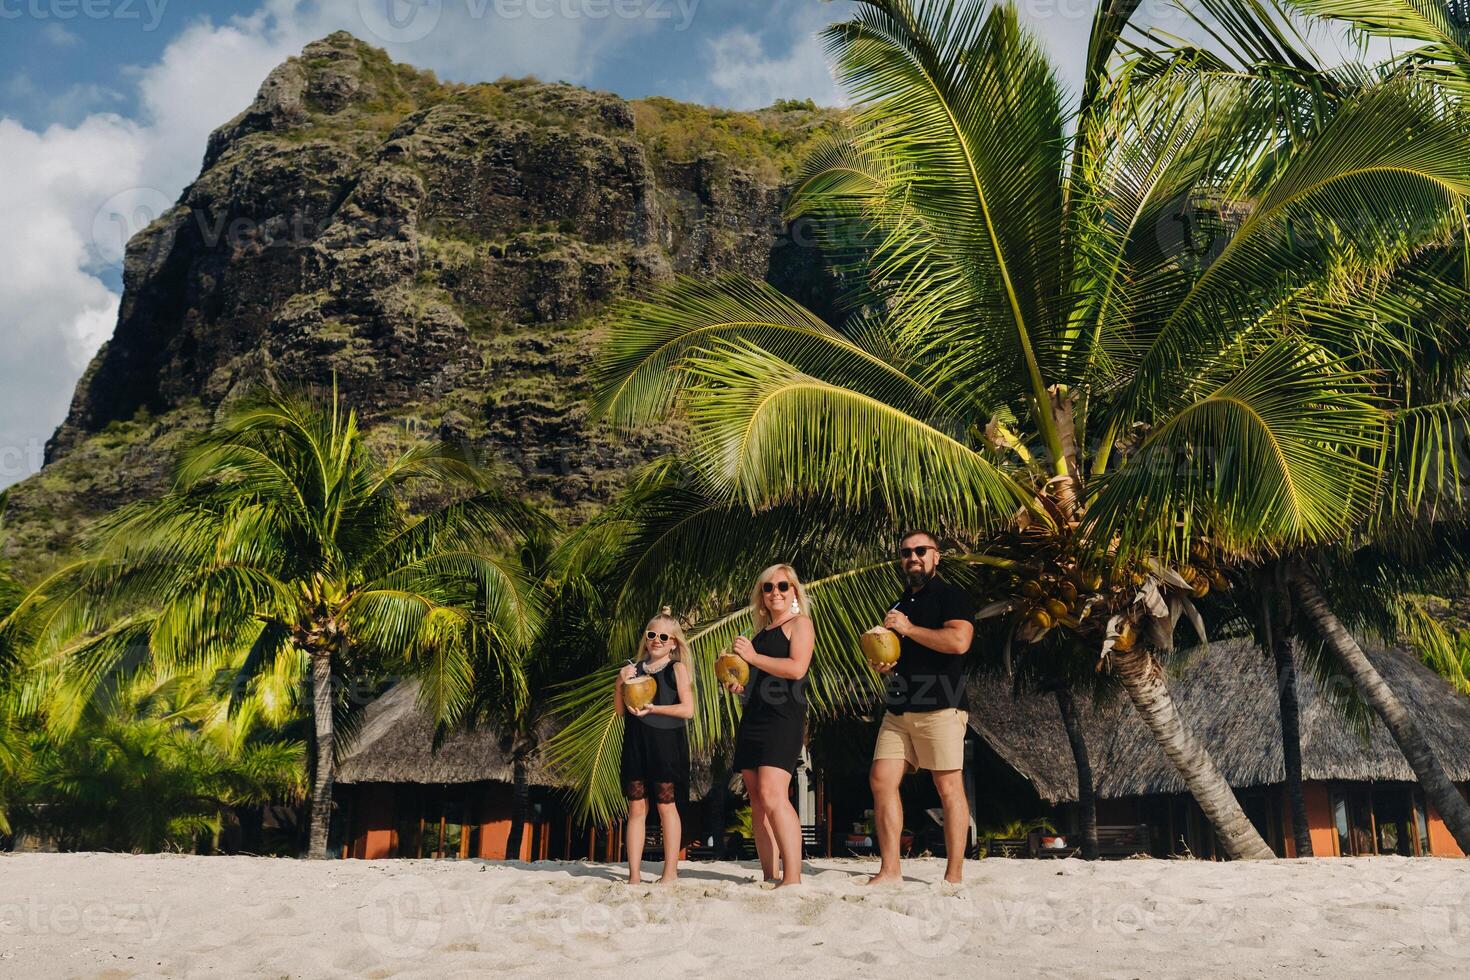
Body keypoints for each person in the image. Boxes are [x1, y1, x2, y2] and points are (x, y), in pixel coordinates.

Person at [866, 530, 976, 886]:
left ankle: (954, 875)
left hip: (941, 705)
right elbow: (898, 654)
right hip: (899, 707)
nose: (912, 557)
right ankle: (890, 870)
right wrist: (885, 663)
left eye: (920, 551)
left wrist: (910, 629)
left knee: (947, 787)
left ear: (936, 557)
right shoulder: (898, 606)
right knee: (881, 780)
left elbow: (959, 642)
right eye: (906, 552)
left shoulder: (950, 596)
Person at [724, 564, 814, 888]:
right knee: (758, 801)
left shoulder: (800, 624)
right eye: (768, 587)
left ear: (793, 592)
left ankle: (792, 877)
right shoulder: (759, 636)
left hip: (783, 718)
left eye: (782, 586)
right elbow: (757, 682)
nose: (775, 591)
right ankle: (769, 876)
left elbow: (796, 668)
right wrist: (739, 688)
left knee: (773, 794)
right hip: (754, 718)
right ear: (761, 597)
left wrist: (752, 656)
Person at [616, 608, 695, 885]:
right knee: (636, 810)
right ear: (645, 637)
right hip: (636, 744)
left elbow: (688, 709)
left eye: (664, 636)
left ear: (674, 642)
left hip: (666, 746)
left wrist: (655, 709)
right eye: (652, 634)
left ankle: (670, 873)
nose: (657, 640)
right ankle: (634, 876)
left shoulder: (677, 668)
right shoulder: (633, 669)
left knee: (666, 807)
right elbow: (619, 711)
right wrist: (620, 682)